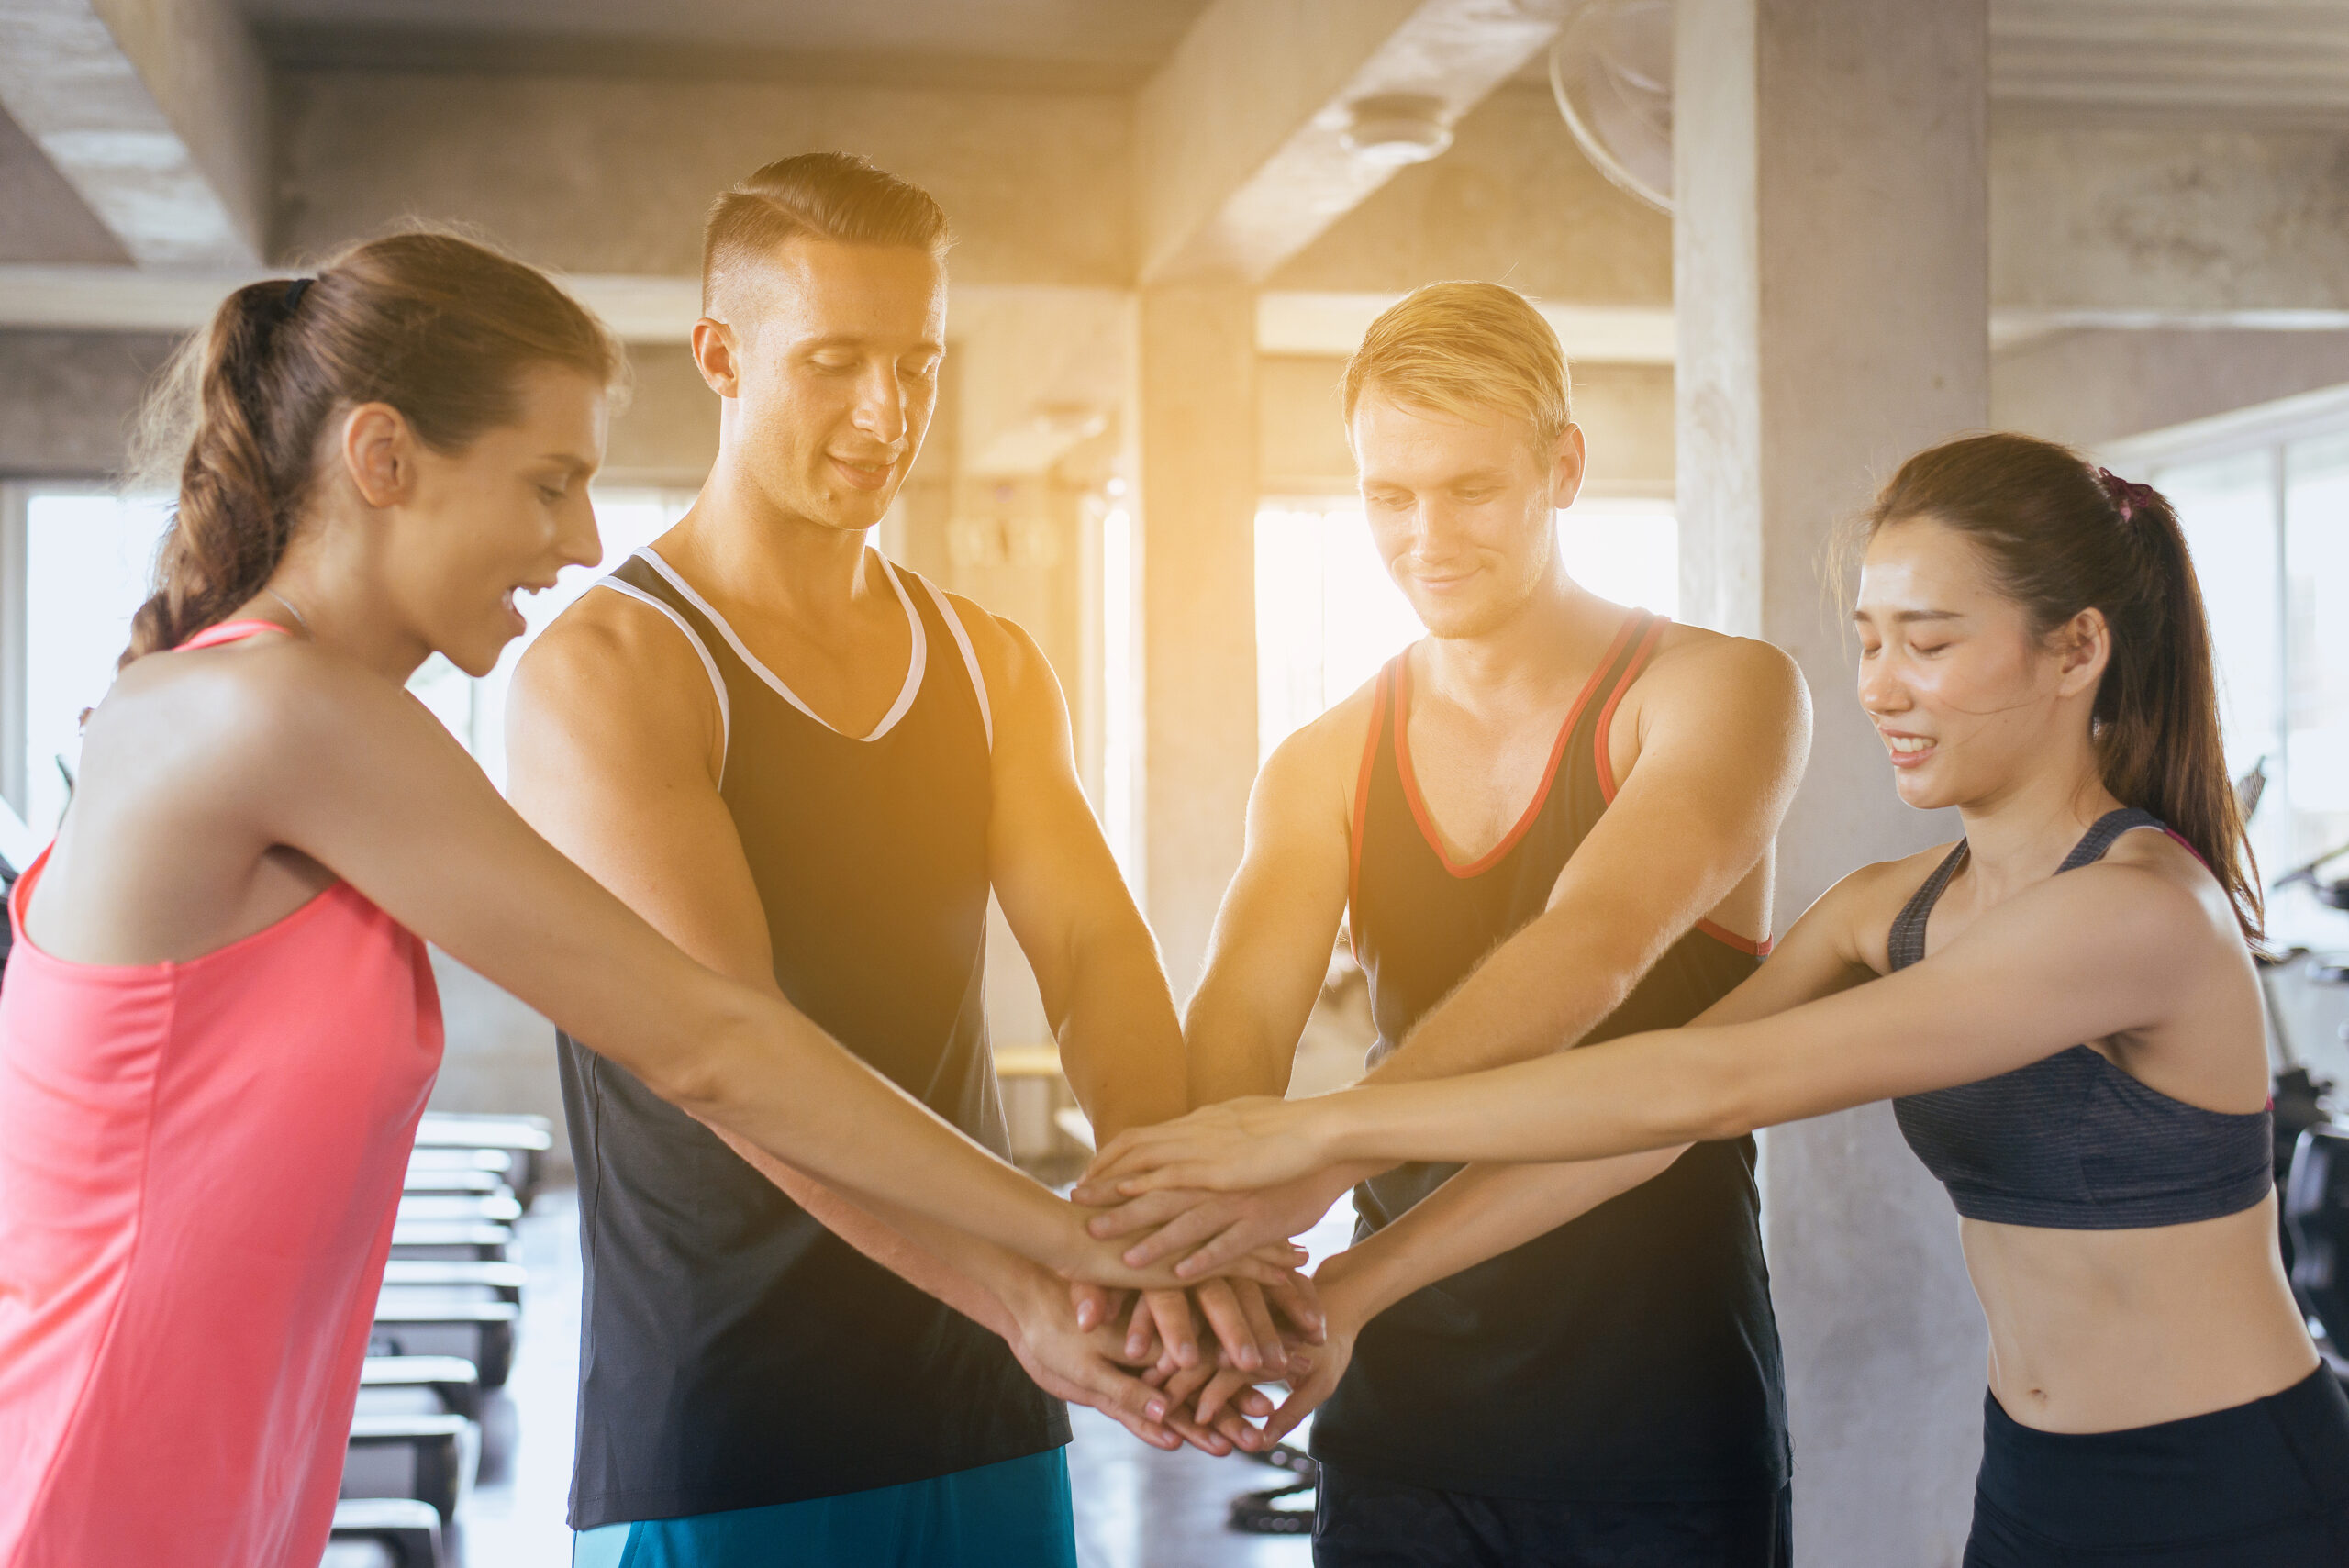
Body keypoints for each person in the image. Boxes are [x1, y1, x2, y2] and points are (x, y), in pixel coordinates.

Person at [0, 232, 1247, 1568]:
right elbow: (709, 1042)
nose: (582, 538)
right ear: (383, 460)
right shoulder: (277, 715)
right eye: (550, 483)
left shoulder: (304, 723)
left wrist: (1070, 1266)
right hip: (91, 1495)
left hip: (225, 1501)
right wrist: (1075, 1253)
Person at [1086, 432, 2349, 1565]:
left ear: (2077, 646)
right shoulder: (1888, 908)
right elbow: (1646, 1122)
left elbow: (1717, 1083)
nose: (1881, 689)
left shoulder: (2136, 910)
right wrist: (1356, 1289)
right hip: (2032, 1483)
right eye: (1867, 639)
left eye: (1931, 641)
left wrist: (1325, 1127)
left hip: (2235, 1486)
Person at [506, 153, 1310, 1568]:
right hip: (728, 1428)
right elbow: (734, 1063)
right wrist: (1042, 1276)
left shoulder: (989, 661)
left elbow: (1097, 955)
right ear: (719, 354)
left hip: (984, 1401)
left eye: (916, 365)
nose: (888, 415)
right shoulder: (613, 668)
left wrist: (1165, 1228)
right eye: (832, 363)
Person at [1085, 282, 1811, 1563]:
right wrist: (1212, 1243)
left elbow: (1595, 943)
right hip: (1397, 1400)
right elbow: (1245, 1011)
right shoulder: (1322, 759)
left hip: (1658, 1415)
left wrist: (1319, 1150)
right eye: (1389, 495)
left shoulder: (1718, 693)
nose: (1429, 535)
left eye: (1472, 488)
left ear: (1564, 467)